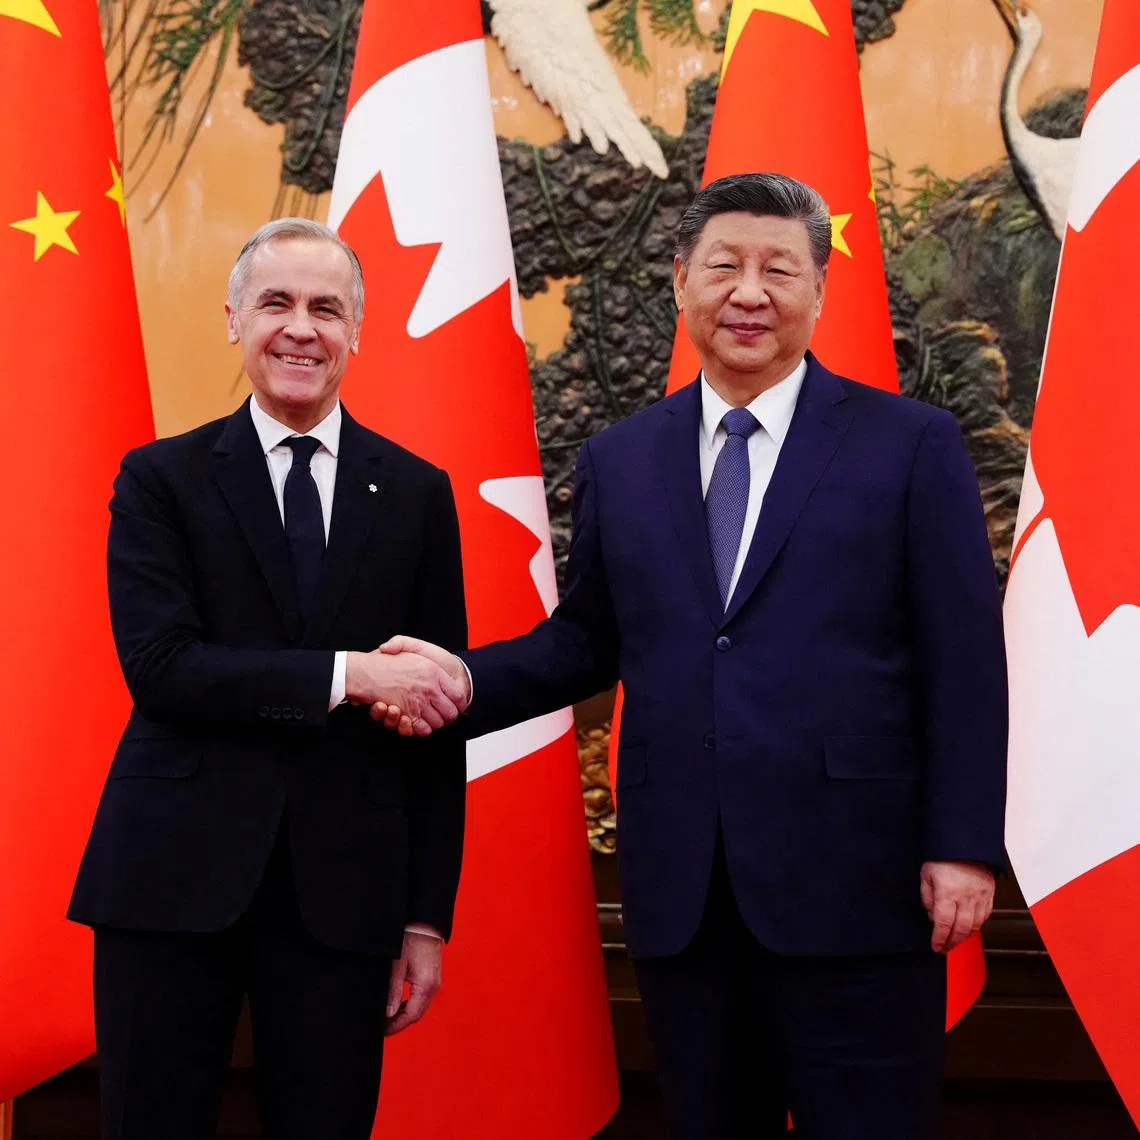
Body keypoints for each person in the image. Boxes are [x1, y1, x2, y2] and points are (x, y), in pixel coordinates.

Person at [373, 173, 1008, 1139]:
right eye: (724, 267)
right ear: (681, 283)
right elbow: (586, 641)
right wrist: (455, 679)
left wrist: (960, 844)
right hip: (686, 891)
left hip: (859, 886)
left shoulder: (909, 445)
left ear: (819, 291)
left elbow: (964, 658)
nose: (748, 292)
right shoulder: (623, 459)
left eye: (777, 269)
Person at [68, 218, 469, 1140]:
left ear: (358, 331)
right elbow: (163, 669)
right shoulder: (161, 479)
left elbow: (435, 712)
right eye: (276, 303)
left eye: (326, 308)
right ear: (233, 320)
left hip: (344, 889)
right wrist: (347, 674)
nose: (300, 328)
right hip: (170, 878)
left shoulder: (415, 492)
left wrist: (425, 917)